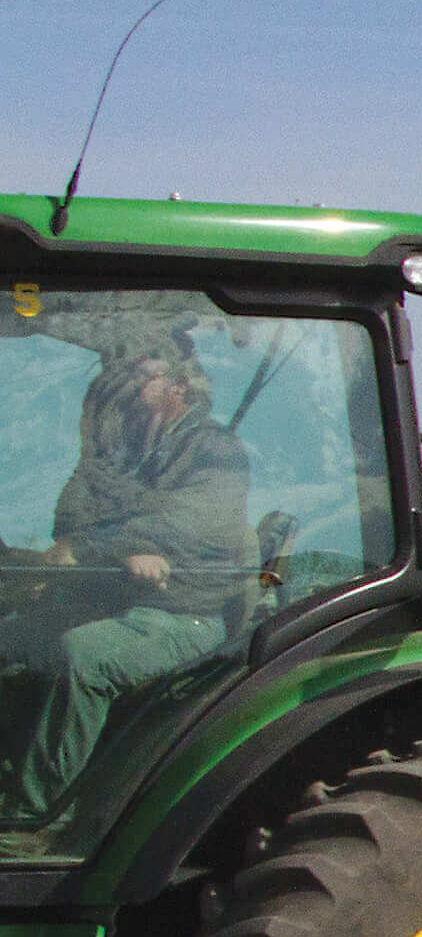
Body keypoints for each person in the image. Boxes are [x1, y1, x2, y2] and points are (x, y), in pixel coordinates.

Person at [0, 343, 252, 830]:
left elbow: (184, 525)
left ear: (178, 387)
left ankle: (35, 817)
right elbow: (74, 506)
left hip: (184, 614)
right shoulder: (126, 445)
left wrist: (98, 546)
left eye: (147, 376)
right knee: (13, 638)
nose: (135, 386)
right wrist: (117, 548)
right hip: (119, 599)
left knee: (84, 654)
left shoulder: (214, 450)